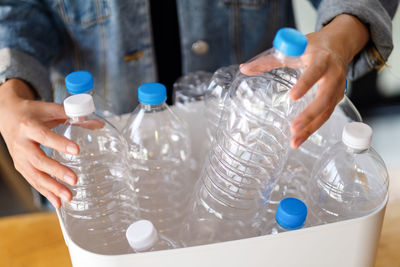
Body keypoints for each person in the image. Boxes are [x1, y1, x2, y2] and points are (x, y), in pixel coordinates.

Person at [0, 0, 397, 208]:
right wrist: (8, 91)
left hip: (248, 147)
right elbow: (16, 11)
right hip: (103, 148)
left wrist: (342, 35)